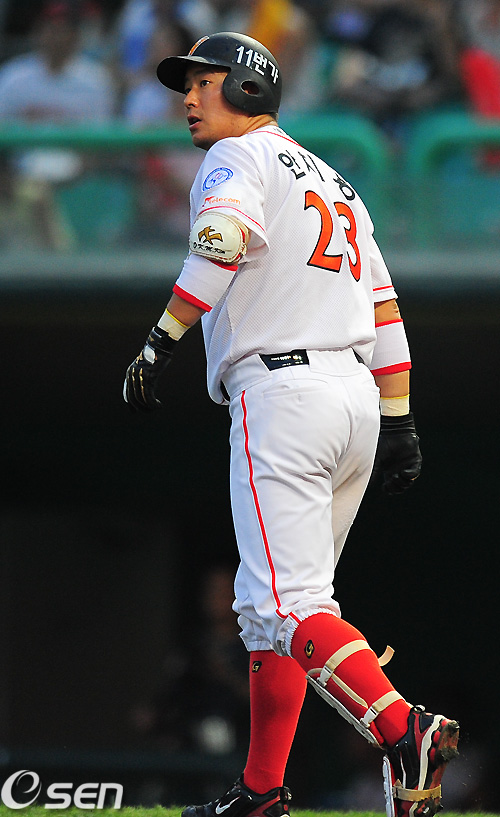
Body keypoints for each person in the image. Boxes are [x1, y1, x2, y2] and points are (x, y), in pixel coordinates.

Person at [123, 31, 459, 817]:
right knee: (279, 609)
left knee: (284, 606)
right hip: (355, 399)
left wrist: (161, 339)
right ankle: (262, 790)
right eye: (186, 85)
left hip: (283, 395)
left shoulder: (236, 156)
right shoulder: (338, 180)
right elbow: (385, 310)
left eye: (204, 81)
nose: (189, 97)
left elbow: (221, 242)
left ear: (247, 87)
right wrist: (400, 420)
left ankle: (403, 728)